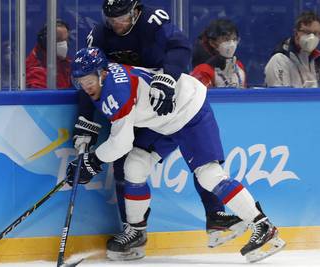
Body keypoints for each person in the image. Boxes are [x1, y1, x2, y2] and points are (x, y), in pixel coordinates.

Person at [67, 47, 286, 263]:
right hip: (162, 120)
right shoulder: (105, 79)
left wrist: (92, 161)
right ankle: (137, 232)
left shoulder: (116, 92)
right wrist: (90, 160)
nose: (86, 87)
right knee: (135, 165)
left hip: (190, 109)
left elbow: (121, 143)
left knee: (209, 175)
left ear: (103, 73)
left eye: (89, 80)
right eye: (80, 82)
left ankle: (262, 225)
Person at [71, 0, 246, 260]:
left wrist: (168, 76)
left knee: (197, 154)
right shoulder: (99, 34)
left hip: (163, 101)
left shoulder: (153, 20)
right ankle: (134, 231)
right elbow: (89, 76)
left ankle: (215, 213)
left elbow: (180, 46)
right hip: (136, 111)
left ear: (136, 11)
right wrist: (87, 123)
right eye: (112, 20)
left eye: (123, 18)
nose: (117, 25)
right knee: (127, 164)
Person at [265, 11, 320, 88]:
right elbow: (279, 97)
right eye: (307, 32)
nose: (312, 37)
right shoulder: (279, 60)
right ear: (296, 34)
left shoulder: (317, 59)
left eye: (316, 33)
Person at [190, 19, 246, 88]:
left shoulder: (239, 65)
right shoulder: (203, 71)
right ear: (213, 43)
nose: (232, 44)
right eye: (226, 39)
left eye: (234, 39)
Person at [25, 19, 72, 89]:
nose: (64, 44)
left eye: (66, 40)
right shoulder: (35, 70)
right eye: (58, 40)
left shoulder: (66, 63)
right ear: (45, 41)